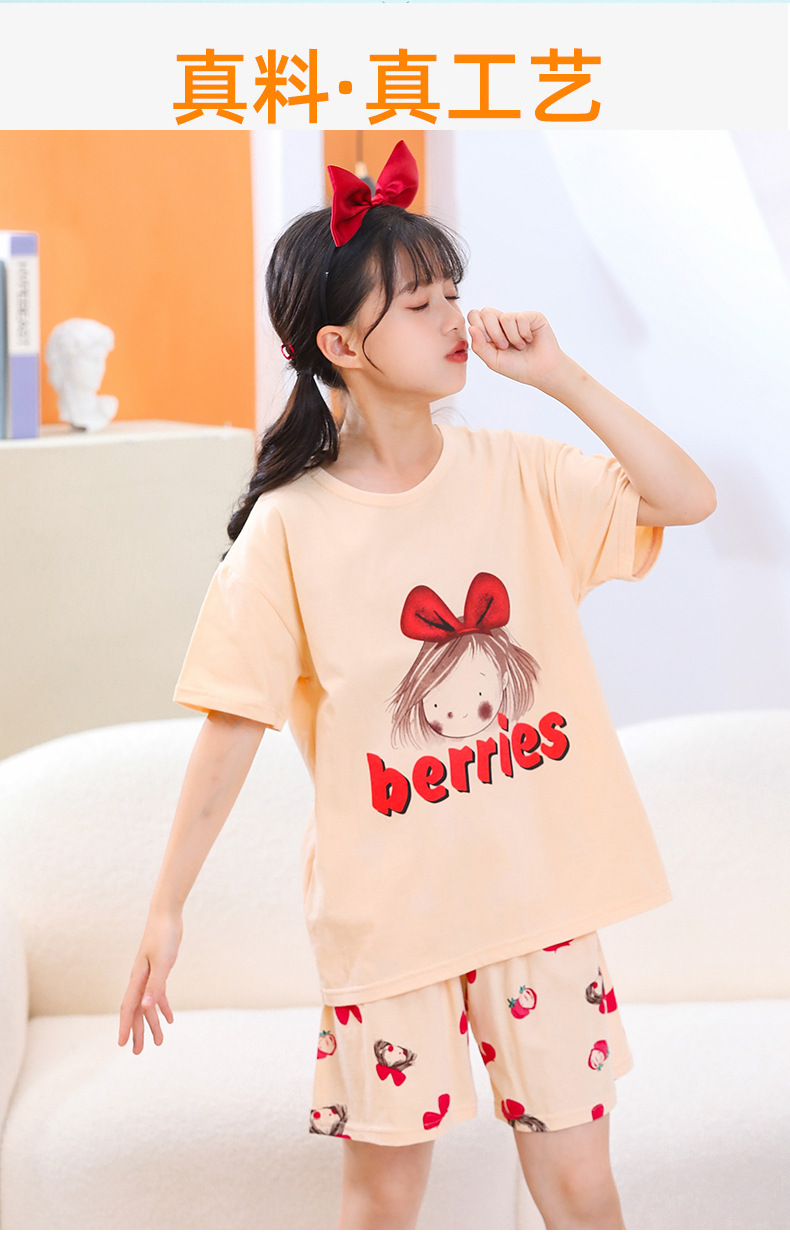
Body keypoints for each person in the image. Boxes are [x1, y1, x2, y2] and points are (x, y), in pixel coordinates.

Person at [119, 142, 716, 1231]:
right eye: (419, 302)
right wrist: (166, 907)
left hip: (539, 906)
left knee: (581, 1190)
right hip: (389, 924)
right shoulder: (289, 529)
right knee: (384, 1201)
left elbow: (687, 498)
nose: (454, 319)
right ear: (341, 346)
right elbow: (231, 726)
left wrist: (561, 376)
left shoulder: (516, 471)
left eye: (453, 292)